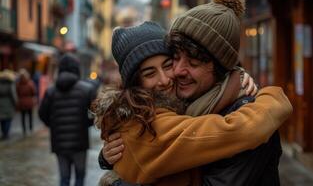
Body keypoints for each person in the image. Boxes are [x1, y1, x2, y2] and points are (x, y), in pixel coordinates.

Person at [92, 20, 292, 185]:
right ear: (135, 82)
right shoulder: (149, 125)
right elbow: (238, 130)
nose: (165, 79)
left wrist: (236, 77)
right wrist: (272, 97)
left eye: (168, 65)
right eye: (150, 73)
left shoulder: (170, 107)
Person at [39, 54, 97, 186]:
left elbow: (42, 113)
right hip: (80, 142)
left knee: (64, 178)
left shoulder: (51, 91)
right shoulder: (87, 89)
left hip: (59, 142)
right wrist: (85, 124)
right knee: (80, 177)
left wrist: (53, 124)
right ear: (76, 69)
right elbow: (96, 113)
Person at [16, 68, 37, 135]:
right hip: (29, 101)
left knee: (23, 117)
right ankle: (31, 128)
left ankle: (24, 130)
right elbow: (34, 92)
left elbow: (17, 92)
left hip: (22, 102)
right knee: (30, 116)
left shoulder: (18, 84)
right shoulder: (30, 83)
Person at [0, 69, 17, 140]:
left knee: (2, 119)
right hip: (9, 103)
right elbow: (13, 95)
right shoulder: (10, 84)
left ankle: (4, 133)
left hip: (0, 103)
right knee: (8, 119)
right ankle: (6, 134)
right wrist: (15, 103)